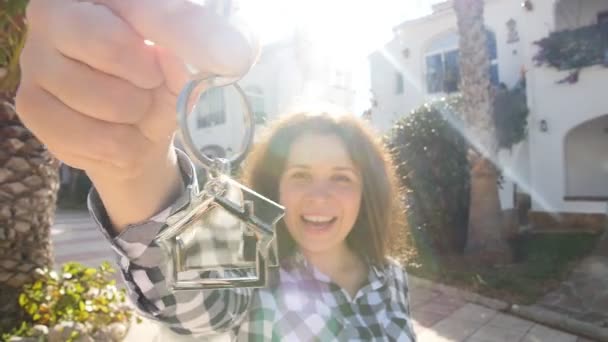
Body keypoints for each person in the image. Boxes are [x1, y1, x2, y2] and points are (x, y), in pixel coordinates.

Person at [16, 0, 416, 340]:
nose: (319, 196)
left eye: (341, 177)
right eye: (300, 175)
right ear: (275, 186)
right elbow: (196, 306)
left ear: (368, 189)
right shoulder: (252, 269)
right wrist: (134, 170)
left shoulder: (391, 276)